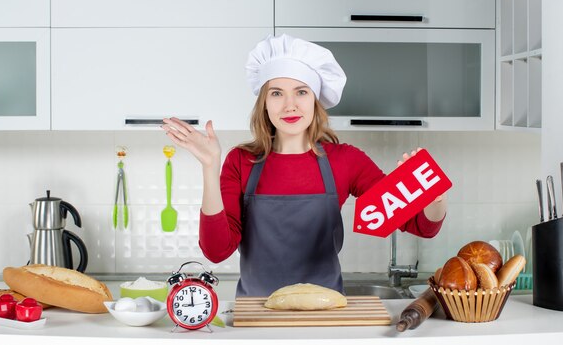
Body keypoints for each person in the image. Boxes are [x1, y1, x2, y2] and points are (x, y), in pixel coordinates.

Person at [162, 34, 446, 297]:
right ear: (264, 103)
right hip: (256, 315)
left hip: (323, 314)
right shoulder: (240, 161)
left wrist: (434, 198)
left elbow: (420, 225)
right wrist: (209, 167)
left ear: (315, 100)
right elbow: (216, 250)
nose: (289, 105)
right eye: (276, 93)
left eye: (301, 92)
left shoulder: (345, 160)